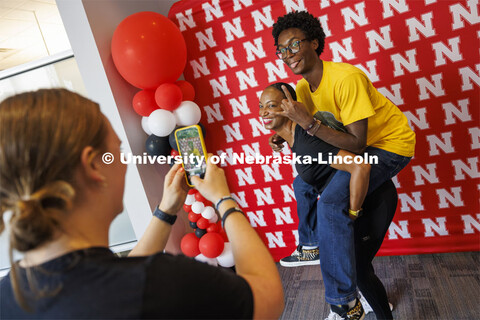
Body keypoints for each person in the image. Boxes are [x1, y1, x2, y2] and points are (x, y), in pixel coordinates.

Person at [0, 89, 284, 319]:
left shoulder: (9, 296)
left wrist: (166, 211)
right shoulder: (163, 282)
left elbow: (113, 282)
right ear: (92, 167)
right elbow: (268, 297)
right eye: (117, 151)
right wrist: (224, 201)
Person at [270, 11, 415, 319]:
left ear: (315, 43)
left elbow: (357, 143)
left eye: (294, 44)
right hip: (359, 147)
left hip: (389, 146)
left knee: (330, 203)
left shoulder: (346, 78)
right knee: (301, 183)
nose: (287, 54)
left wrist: (307, 123)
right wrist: (285, 135)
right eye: (281, 49)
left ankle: (343, 302)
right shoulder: (305, 90)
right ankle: (310, 245)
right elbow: (316, 131)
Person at [261, 83, 395, 319]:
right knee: (351, 257)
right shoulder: (295, 137)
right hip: (351, 199)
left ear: (290, 107)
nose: (263, 112)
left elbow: (360, 166)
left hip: (372, 200)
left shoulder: (307, 141)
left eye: (271, 106)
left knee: (358, 267)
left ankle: (370, 311)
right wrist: (279, 135)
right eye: (261, 106)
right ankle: (311, 246)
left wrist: (354, 212)